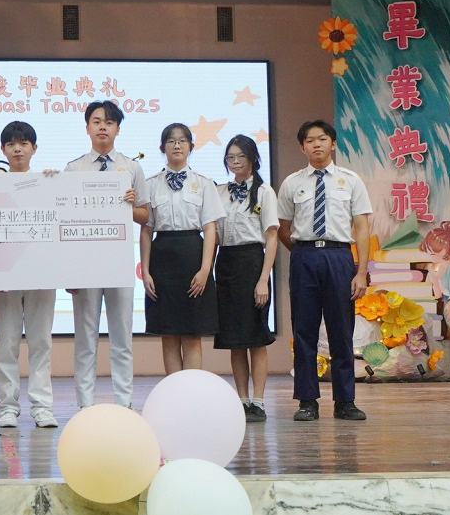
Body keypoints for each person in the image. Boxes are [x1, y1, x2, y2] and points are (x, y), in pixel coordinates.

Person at [277, 120, 371, 422]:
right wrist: (302, 253)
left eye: (322, 139)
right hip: (304, 257)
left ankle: (345, 402)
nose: (316, 144)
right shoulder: (292, 183)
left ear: (333, 143)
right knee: (303, 330)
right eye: (309, 140)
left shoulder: (350, 181)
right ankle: (307, 401)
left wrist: (360, 271)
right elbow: (283, 228)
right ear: (302, 147)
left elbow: (362, 227)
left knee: (341, 331)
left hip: (339, 256)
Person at [64, 100, 150, 408]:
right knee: (85, 338)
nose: (103, 127)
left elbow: (145, 216)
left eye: (109, 122)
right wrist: (69, 270)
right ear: (87, 127)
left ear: (117, 129)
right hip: (85, 265)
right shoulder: (74, 169)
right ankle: (85, 404)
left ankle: (124, 401)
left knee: (122, 337)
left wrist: (129, 206)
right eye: (97, 121)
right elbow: (64, 218)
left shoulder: (132, 168)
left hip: (119, 263)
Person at [140, 123, 224, 374]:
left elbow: (210, 229)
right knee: (168, 334)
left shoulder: (204, 183)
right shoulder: (150, 184)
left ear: (191, 146)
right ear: (162, 148)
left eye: (182, 141)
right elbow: (146, 230)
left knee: (192, 333)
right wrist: (146, 272)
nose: (177, 145)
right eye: (171, 141)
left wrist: (205, 270)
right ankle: (173, 390)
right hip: (162, 260)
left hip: (193, 258)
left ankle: (191, 391)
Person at [0, 121, 59, 429]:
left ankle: (42, 406)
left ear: (34, 148)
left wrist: (58, 184)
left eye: (23, 144)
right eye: (11, 144)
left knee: (41, 342)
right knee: (7, 343)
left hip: (42, 274)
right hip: (5, 276)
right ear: (3, 149)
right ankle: (7, 407)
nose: (17, 149)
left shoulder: (49, 182)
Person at [213, 135, 279, 423]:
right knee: (235, 339)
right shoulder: (219, 192)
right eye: (230, 157)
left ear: (253, 158)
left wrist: (263, 279)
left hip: (253, 264)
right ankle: (241, 399)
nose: (235, 162)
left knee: (256, 337)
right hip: (226, 263)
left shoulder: (264, 192)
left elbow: (272, 237)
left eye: (240, 156)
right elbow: (214, 235)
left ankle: (259, 402)